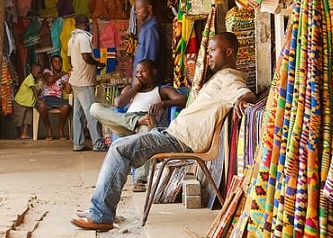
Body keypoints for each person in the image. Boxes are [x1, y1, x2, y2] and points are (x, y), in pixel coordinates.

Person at [70, 32, 257, 232]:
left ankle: (100, 215)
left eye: (212, 50)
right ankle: (98, 209)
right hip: (173, 134)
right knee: (118, 146)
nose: (208, 55)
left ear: (229, 52)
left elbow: (245, 93)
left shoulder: (230, 79)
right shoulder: (219, 76)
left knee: (119, 149)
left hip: (181, 139)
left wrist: (243, 99)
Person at [89, 58, 188, 192]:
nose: (139, 74)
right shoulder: (130, 89)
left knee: (147, 131)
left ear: (153, 72)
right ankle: (135, 122)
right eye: (137, 72)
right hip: (126, 122)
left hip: (146, 121)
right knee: (94, 108)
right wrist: (136, 87)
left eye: (143, 71)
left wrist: (163, 103)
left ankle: (140, 180)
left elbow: (183, 99)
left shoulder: (161, 90)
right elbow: (118, 104)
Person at [68, 14, 107, 152]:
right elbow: (86, 56)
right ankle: (98, 143)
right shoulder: (83, 37)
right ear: (86, 24)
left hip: (75, 79)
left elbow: (69, 59)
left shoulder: (72, 39)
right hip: (84, 81)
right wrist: (98, 64)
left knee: (77, 114)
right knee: (92, 112)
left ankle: (78, 143)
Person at [37, 55, 71, 140]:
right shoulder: (47, 71)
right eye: (55, 61)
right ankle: (49, 130)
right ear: (51, 64)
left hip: (58, 99)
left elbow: (68, 91)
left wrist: (70, 77)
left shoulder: (64, 76)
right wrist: (61, 74)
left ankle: (60, 130)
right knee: (41, 106)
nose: (58, 63)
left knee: (66, 107)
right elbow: (50, 80)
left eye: (59, 61)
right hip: (46, 97)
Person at [133, 0, 164, 84]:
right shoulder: (146, 27)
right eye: (135, 9)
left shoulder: (151, 29)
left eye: (139, 9)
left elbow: (149, 60)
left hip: (145, 82)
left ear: (149, 8)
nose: (136, 12)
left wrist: (140, 82)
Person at [13, 63, 43, 139]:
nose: (40, 74)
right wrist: (38, 100)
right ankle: (18, 134)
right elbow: (33, 90)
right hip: (20, 102)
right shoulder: (29, 78)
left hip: (29, 104)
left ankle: (24, 133)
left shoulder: (36, 80)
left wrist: (40, 85)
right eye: (38, 73)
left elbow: (37, 91)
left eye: (41, 73)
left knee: (28, 119)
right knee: (19, 119)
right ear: (32, 71)